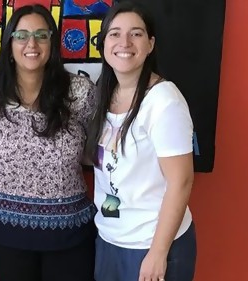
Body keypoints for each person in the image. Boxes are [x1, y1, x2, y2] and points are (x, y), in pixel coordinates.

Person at [0, 4, 97, 281]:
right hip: (3, 235)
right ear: (9, 42)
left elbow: (95, 146)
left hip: (70, 237)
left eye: (41, 35)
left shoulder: (80, 93)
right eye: (22, 35)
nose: (31, 44)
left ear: (52, 43)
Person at [85, 1, 197, 281]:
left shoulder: (164, 100)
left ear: (150, 44)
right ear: (103, 44)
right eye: (114, 33)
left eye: (136, 33)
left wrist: (158, 254)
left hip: (152, 245)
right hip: (111, 239)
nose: (124, 42)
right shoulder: (105, 92)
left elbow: (181, 181)